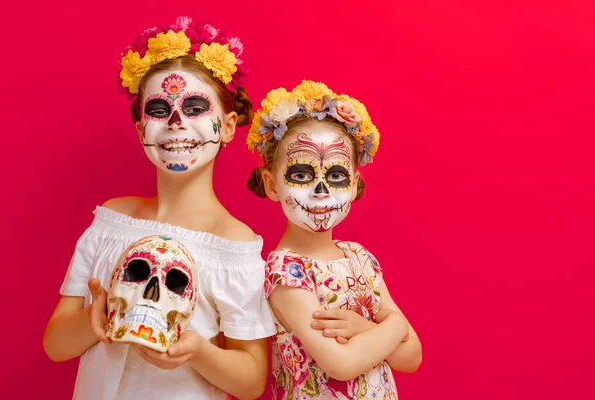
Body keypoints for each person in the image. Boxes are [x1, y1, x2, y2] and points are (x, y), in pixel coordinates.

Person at [43, 16, 275, 400]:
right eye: (157, 109)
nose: (175, 122)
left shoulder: (233, 244)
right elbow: (55, 344)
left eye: (196, 106)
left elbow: (251, 381)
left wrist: (198, 352)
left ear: (229, 125)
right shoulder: (111, 222)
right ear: (140, 130)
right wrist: (93, 319)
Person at [246, 80, 422, 399]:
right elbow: (341, 363)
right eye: (301, 174)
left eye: (336, 176)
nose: (321, 191)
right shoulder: (284, 272)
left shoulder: (359, 257)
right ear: (272, 185)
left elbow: (412, 358)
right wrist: (394, 327)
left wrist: (365, 329)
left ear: (354, 185)